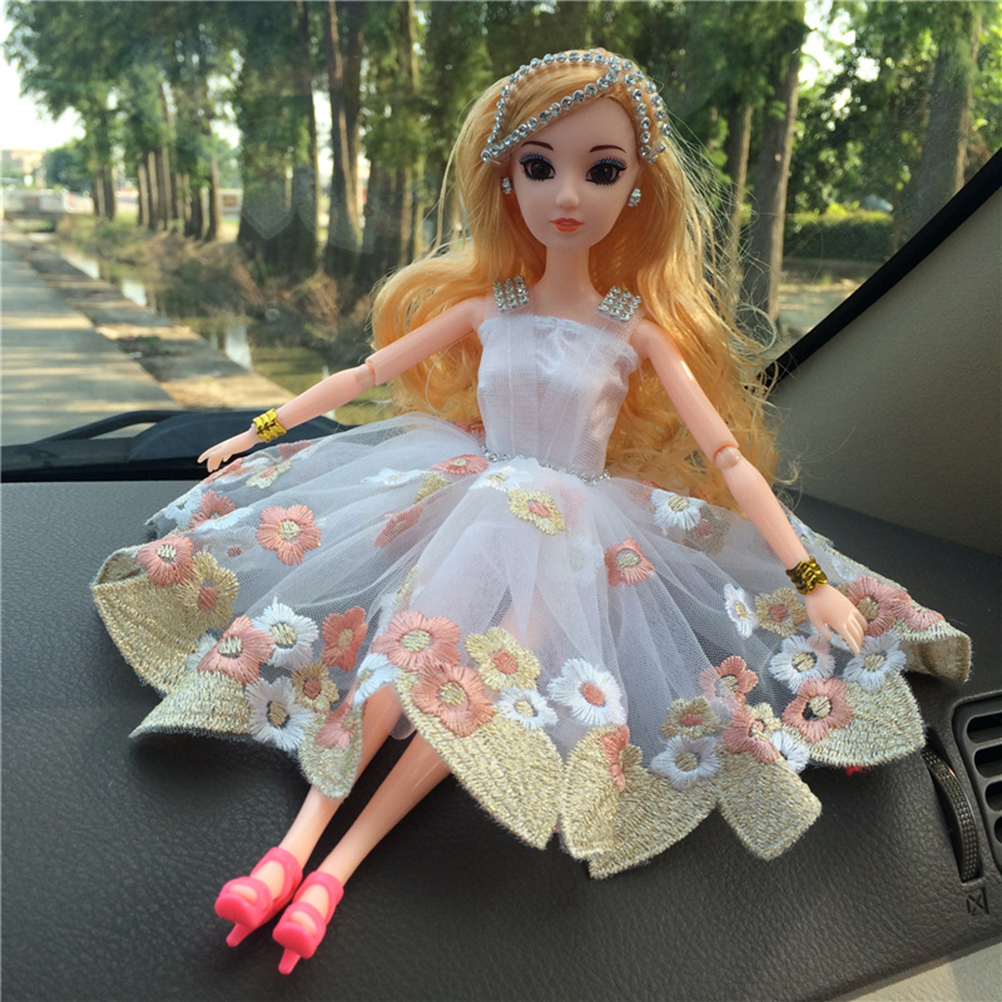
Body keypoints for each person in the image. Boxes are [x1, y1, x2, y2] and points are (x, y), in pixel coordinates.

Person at [92, 49, 970, 975]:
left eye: (603, 170)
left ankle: (333, 873)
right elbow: (364, 376)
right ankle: (291, 850)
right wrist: (259, 428)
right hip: (468, 499)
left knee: (474, 685)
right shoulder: (489, 309)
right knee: (409, 652)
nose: (568, 195)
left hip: (573, 532)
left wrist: (810, 578)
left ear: (637, 187)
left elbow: (727, 460)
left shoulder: (635, 330)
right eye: (538, 165)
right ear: (505, 179)